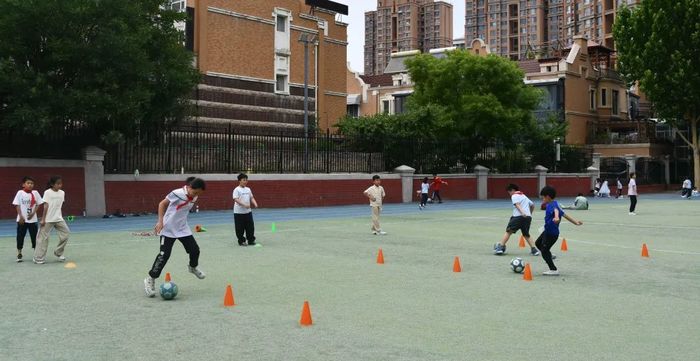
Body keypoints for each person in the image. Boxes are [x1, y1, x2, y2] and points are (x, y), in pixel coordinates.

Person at [144, 178, 207, 297]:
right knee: (164, 255)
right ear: (189, 187)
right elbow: (162, 204)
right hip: (168, 229)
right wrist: (160, 221)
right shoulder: (177, 193)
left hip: (183, 229)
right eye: (196, 192)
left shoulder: (194, 196)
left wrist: (195, 195)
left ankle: (193, 267)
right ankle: (150, 279)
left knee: (195, 250)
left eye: (199, 193)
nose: (196, 195)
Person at [537, 186, 583, 275]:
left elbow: (556, 212)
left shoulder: (552, 206)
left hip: (551, 234)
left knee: (544, 251)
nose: (542, 199)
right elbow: (565, 215)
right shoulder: (555, 203)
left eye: (543, 197)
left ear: (548, 197)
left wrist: (557, 218)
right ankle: (550, 255)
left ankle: (553, 269)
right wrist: (575, 222)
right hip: (547, 231)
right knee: (538, 243)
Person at [494, 184, 540, 256]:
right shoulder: (524, 196)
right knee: (526, 234)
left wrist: (522, 213)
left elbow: (517, 204)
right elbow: (532, 205)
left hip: (518, 217)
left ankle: (500, 247)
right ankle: (534, 250)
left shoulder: (514, 195)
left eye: (509, 192)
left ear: (512, 190)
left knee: (509, 231)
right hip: (528, 218)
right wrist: (529, 214)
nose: (509, 194)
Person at [34, 176, 70, 264]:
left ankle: (58, 252)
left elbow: (59, 205)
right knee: (43, 238)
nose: (60, 185)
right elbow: (45, 206)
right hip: (48, 219)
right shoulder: (47, 192)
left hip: (58, 218)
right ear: (52, 184)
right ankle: (38, 258)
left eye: (61, 183)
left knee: (66, 233)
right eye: (58, 184)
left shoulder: (62, 193)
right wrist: (43, 219)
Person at [12, 176, 44, 262]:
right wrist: (21, 216)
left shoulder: (35, 193)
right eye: (28, 183)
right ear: (23, 184)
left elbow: (39, 203)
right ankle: (19, 253)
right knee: (20, 236)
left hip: (32, 220)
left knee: (34, 237)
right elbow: (17, 205)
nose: (30, 185)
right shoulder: (20, 193)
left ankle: (36, 254)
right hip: (22, 220)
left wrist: (33, 213)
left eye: (32, 183)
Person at [233, 173, 258, 246]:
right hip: (238, 213)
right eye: (244, 180)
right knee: (239, 228)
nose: (245, 181)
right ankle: (241, 241)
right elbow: (236, 199)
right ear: (239, 181)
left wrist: (255, 203)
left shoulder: (248, 189)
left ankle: (250, 240)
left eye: (246, 180)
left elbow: (251, 197)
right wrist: (244, 205)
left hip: (248, 212)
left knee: (250, 227)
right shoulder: (236, 190)